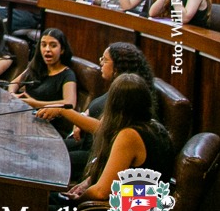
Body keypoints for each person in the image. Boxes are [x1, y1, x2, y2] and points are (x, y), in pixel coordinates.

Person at [39, 42, 155, 179]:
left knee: (45, 161)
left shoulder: (126, 94)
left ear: (117, 67)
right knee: (44, 147)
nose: (101, 63)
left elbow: (105, 128)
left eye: (105, 60)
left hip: (97, 154)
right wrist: (83, 117)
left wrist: (63, 111)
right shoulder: (115, 86)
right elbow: (96, 110)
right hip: (84, 141)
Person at [58, 73, 173, 204]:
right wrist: (87, 183)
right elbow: (116, 174)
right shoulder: (153, 126)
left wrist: (76, 200)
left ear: (113, 105)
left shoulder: (129, 136)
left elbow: (100, 192)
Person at [8, 28, 77, 136]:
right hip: (25, 121)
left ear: (62, 50)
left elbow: (69, 103)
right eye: (43, 45)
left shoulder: (67, 74)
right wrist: (12, 95)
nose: (47, 49)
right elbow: (13, 83)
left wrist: (34, 103)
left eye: (53, 45)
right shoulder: (35, 66)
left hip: (48, 128)